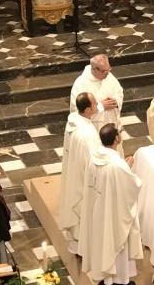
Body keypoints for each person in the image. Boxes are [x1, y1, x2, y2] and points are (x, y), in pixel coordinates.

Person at [79, 123, 143, 284]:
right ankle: (119, 280)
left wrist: (124, 168)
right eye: (120, 132)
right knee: (115, 246)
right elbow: (134, 185)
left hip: (98, 212)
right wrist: (128, 168)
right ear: (116, 139)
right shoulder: (117, 165)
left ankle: (106, 278)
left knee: (102, 244)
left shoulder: (94, 157)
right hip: (113, 215)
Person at [60, 93, 101, 255]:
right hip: (83, 178)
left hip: (74, 171)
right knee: (82, 212)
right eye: (95, 104)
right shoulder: (86, 135)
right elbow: (93, 163)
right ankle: (84, 248)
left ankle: (77, 245)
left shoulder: (73, 121)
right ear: (88, 109)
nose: (97, 106)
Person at [70, 54, 124, 130]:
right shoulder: (81, 84)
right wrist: (101, 106)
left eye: (109, 69)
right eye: (104, 71)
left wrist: (116, 101)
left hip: (112, 125)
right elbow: (78, 110)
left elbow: (119, 92)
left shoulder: (109, 77)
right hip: (93, 130)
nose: (107, 73)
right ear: (95, 69)